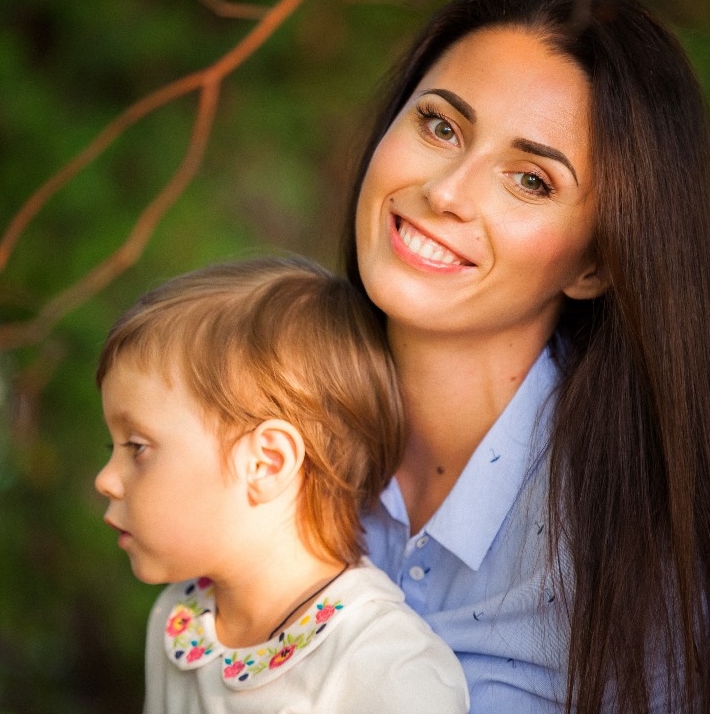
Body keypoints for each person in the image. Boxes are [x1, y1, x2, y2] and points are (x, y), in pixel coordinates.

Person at [342, 0, 710, 714]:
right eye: (440, 126)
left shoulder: (658, 542)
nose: (449, 191)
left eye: (530, 180)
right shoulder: (262, 430)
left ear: (596, 263)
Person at [92, 256, 469, 714]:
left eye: (137, 447)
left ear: (267, 462)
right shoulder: (179, 623)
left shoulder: (388, 671)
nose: (106, 479)